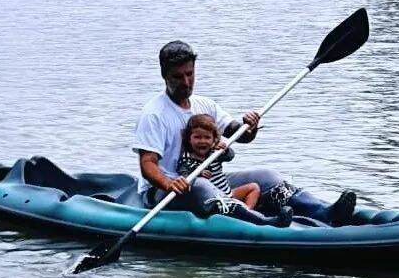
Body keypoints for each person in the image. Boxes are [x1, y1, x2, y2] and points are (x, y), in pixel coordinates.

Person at [132, 39, 357, 224]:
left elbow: (239, 134)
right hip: (165, 191)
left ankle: (324, 212)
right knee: (199, 185)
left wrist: (249, 126)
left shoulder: (205, 105)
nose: (186, 82)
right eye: (178, 77)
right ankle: (263, 222)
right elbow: (148, 164)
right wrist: (169, 183)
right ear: (164, 75)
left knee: (268, 176)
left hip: (210, 178)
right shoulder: (154, 114)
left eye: (190, 74)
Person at [177, 114, 293, 227]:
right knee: (225, 199)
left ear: (214, 139)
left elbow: (230, 156)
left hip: (228, 194)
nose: (202, 141)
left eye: (207, 137)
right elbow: (184, 175)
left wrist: (224, 150)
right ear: (189, 139)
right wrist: (198, 174)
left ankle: (247, 214)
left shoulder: (214, 153)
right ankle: (263, 220)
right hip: (215, 200)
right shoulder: (186, 158)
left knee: (253, 187)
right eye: (197, 137)